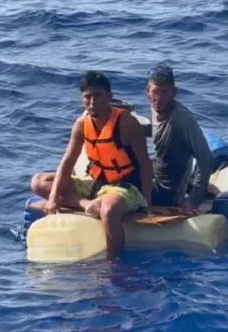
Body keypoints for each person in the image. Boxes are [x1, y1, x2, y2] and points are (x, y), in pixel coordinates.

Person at [30, 70, 153, 255]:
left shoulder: (127, 123)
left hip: (126, 186)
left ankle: (115, 263)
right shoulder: (81, 123)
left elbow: (145, 164)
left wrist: (147, 204)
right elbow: (68, 161)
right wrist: (54, 196)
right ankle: (87, 204)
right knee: (39, 182)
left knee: (109, 211)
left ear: (109, 96)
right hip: (95, 183)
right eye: (88, 97)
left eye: (98, 96)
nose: (92, 102)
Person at [143, 63, 213, 215]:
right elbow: (158, 130)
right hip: (155, 177)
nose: (159, 98)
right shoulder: (156, 108)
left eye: (164, 92)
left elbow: (205, 157)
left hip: (166, 195)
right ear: (147, 91)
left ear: (174, 93)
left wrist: (193, 201)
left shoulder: (182, 119)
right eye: (155, 92)